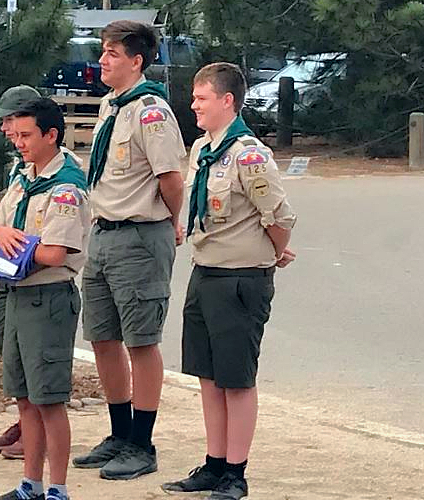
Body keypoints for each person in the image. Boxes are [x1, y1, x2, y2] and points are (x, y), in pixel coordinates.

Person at [159, 62, 296, 500]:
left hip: (240, 280)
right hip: (206, 273)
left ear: (226, 101)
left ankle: (236, 472)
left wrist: (273, 252)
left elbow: (278, 215)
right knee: (208, 377)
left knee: (236, 380)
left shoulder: (249, 155)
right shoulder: (205, 148)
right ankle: (214, 463)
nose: (193, 105)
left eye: (201, 98)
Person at [72, 20, 185, 481]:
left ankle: (142, 442)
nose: (102, 61)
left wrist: (172, 222)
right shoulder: (109, 106)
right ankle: (119, 432)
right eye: (102, 52)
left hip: (140, 234)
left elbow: (171, 179)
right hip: (103, 232)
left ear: (136, 61)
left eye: (112, 54)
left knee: (141, 341)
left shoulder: (150, 111)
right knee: (103, 337)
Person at [0, 98, 91, 500]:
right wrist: (5, 238)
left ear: (51, 135)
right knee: (24, 396)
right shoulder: (23, 178)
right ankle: (31, 484)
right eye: (16, 135)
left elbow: (55, 253)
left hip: (48, 297)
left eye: (27, 135)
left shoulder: (65, 188)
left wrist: (15, 242)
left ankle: (57, 488)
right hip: (16, 292)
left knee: (49, 399)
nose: (18, 142)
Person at [0, 84, 43, 461]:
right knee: (8, 349)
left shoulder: (52, 168)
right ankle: (25, 424)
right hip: (9, 272)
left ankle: (38, 432)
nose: (6, 130)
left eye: (11, 121)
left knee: (35, 358)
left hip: (35, 275)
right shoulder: (17, 169)